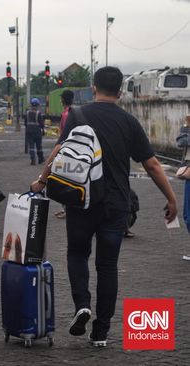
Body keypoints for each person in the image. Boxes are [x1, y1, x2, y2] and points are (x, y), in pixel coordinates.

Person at [30, 66, 178, 348]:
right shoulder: (128, 121)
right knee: (108, 266)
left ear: (94, 87)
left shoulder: (77, 115)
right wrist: (171, 198)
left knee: (76, 254)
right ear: (121, 91)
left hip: (81, 200)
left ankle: (82, 305)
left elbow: (59, 150)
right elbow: (152, 164)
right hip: (116, 205)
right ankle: (100, 332)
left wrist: (42, 181)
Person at [54, 90, 75, 219]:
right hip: (72, 151)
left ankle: (67, 209)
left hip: (65, 151)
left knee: (64, 180)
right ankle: (66, 208)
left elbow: (64, 135)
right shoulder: (74, 113)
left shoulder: (66, 115)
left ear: (63, 100)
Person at [178, 116, 190, 259]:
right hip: (188, 174)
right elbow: (180, 142)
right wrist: (186, 128)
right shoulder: (186, 127)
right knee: (187, 215)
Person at [25, 98, 45, 165]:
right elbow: (41, 124)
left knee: (31, 146)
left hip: (29, 131)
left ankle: (33, 160)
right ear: (37, 105)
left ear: (31, 105)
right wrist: (43, 130)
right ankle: (40, 159)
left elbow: (25, 123)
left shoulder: (27, 113)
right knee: (39, 146)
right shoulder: (38, 113)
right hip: (37, 132)